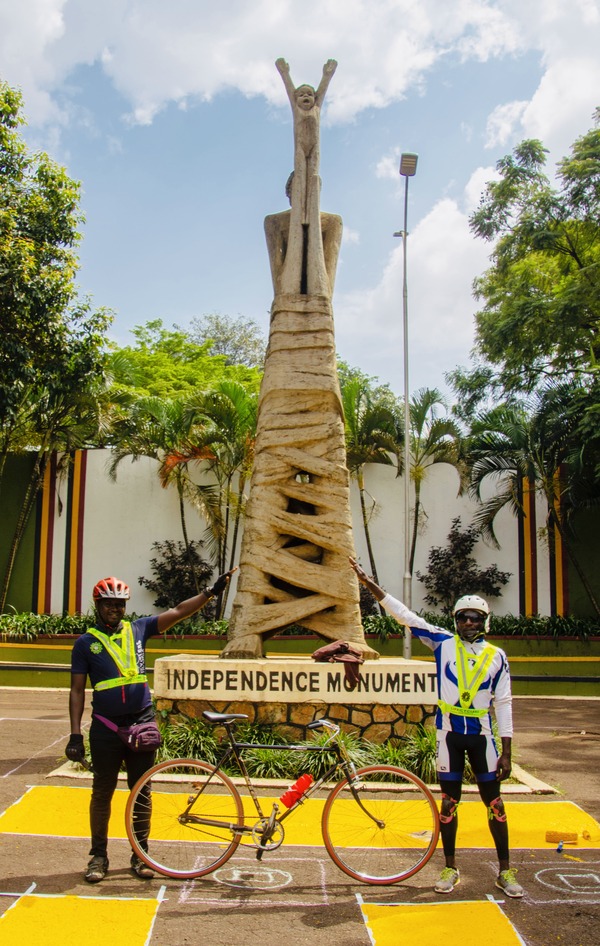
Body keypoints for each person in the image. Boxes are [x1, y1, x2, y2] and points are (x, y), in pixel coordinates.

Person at [349, 558, 524, 899]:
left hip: (483, 738)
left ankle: (505, 871)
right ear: (455, 620)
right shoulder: (442, 643)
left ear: (485, 621)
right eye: (463, 617)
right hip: (449, 737)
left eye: (475, 617)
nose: (469, 622)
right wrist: (368, 583)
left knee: (495, 804)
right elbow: (406, 617)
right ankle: (450, 868)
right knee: (448, 804)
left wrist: (507, 752)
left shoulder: (497, 656)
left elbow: (503, 703)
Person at [66, 569, 236, 884]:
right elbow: (77, 691)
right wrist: (75, 734)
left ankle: (140, 854)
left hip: (141, 724)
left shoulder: (139, 629)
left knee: (142, 791)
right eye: (108, 604)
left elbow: (178, 611)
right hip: (105, 728)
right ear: (98, 605)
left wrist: (211, 592)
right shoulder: (85, 643)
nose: (115, 609)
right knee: (102, 792)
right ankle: (98, 856)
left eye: (120, 604)